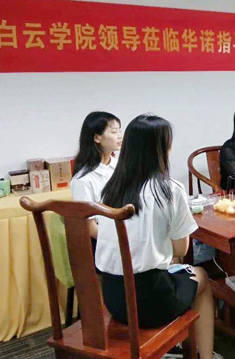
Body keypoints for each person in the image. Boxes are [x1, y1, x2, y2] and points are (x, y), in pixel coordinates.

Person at [97, 114, 221, 359]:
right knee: (202, 277)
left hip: (113, 298)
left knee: (172, 271)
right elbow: (181, 250)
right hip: (150, 302)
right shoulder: (168, 189)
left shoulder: (111, 187)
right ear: (162, 149)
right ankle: (205, 356)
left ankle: (179, 345)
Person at [70, 111, 122, 239]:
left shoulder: (120, 166)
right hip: (103, 239)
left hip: (123, 229)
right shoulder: (83, 180)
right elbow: (91, 228)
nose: (120, 136)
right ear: (97, 138)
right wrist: (119, 242)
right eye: (114, 132)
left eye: (119, 131)